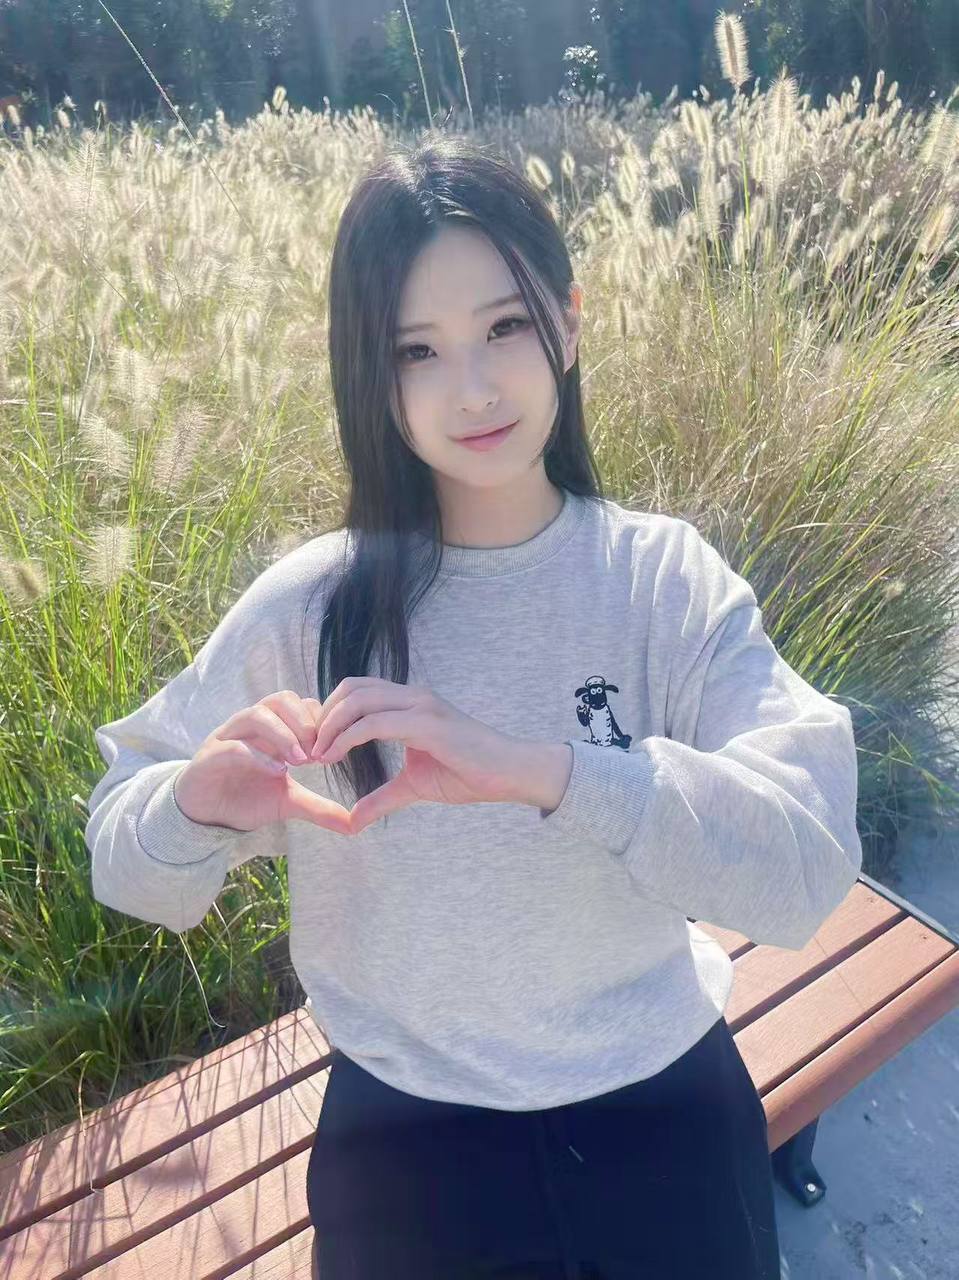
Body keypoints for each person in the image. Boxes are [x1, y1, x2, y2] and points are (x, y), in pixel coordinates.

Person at [85, 135, 863, 1280]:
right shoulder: (312, 608)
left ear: (568, 322)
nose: (475, 387)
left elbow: (804, 868)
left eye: (503, 326)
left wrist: (551, 771)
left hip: (661, 1106)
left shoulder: (661, 580)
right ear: (369, 373)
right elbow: (124, 862)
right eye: (417, 349)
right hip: (405, 1146)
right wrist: (193, 804)